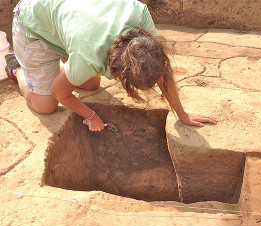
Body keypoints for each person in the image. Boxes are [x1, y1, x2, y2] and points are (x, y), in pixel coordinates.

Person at [6, 0, 217, 131]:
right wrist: (91, 116)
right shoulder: (89, 55)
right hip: (34, 26)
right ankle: (18, 69)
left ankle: (61, 71)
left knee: (89, 84)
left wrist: (182, 114)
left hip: (70, 23)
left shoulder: (140, 16)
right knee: (47, 105)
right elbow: (59, 93)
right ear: (120, 72)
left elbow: (159, 70)